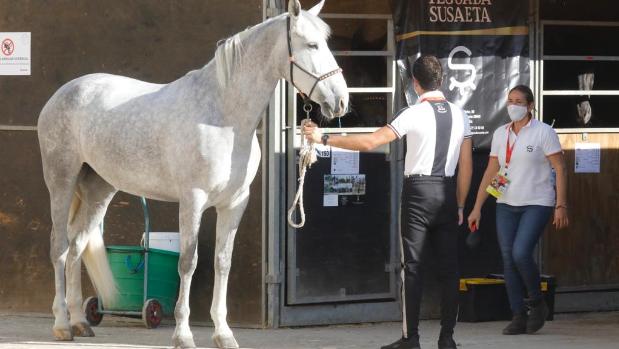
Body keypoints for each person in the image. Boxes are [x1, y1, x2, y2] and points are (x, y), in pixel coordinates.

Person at [303, 55, 473, 349]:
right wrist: (459, 205)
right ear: (441, 80)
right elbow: (467, 166)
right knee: (449, 269)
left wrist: (323, 137)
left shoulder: (412, 113)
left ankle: (411, 338)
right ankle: (447, 338)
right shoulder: (461, 115)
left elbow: (371, 142)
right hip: (446, 192)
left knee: (413, 268)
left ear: (415, 83)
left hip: (419, 192)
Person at [467, 85, 569, 335]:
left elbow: (560, 169)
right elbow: (492, 172)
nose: (513, 105)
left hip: (537, 201)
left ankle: (536, 302)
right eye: (510, 100)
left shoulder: (544, 132)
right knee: (508, 259)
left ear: (530, 105)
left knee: (520, 252)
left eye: (519, 101)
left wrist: (561, 204)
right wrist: (477, 207)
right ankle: (518, 315)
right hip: (505, 202)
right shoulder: (501, 134)